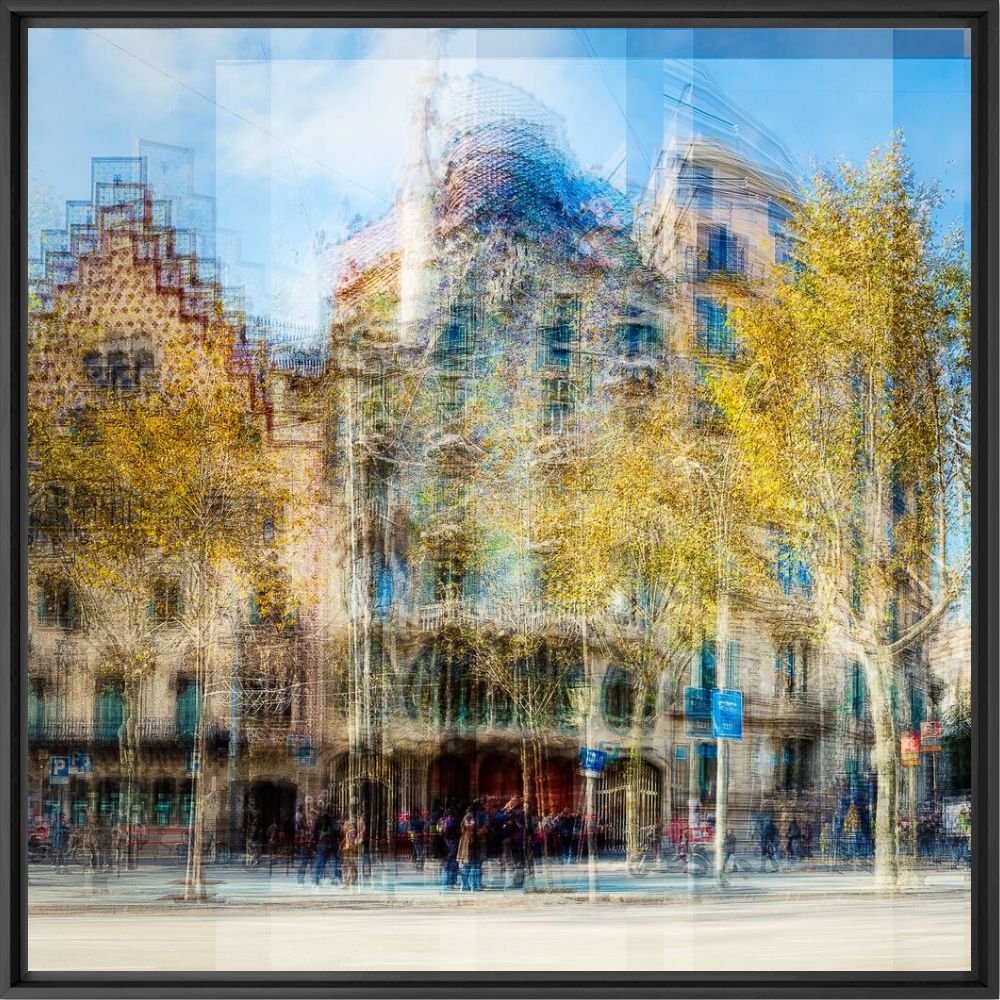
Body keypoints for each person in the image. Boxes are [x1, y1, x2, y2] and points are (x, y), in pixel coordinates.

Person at [457, 809, 481, 891]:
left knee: (467, 867)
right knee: (469, 866)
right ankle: (469, 885)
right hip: (468, 845)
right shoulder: (468, 818)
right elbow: (468, 827)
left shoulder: (467, 819)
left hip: (468, 845)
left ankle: (467, 885)